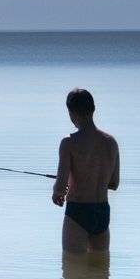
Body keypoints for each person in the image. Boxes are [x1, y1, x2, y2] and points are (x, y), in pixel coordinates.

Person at [51, 88, 120, 253]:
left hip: (78, 211)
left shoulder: (69, 143)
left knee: (72, 270)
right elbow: (114, 183)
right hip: (102, 212)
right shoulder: (111, 142)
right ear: (93, 109)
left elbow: (60, 188)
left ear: (71, 112)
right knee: (101, 272)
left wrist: (57, 191)